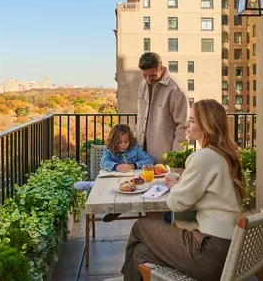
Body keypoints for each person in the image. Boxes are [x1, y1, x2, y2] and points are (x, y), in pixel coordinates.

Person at [121, 99, 246, 281]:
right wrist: (184, 183)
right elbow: (211, 193)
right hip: (228, 251)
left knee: (140, 227)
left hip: (209, 254)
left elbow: (176, 203)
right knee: (141, 252)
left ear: (207, 126)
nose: (187, 124)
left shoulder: (204, 157)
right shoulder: (226, 155)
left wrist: (177, 187)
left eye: (193, 120)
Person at [135, 52, 189, 225]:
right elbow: (141, 116)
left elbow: (183, 127)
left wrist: (174, 159)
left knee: (164, 202)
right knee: (145, 198)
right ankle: (149, 236)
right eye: (144, 75)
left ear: (161, 67)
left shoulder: (175, 90)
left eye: (151, 75)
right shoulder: (143, 84)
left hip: (163, 158)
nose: (147, 79)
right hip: (143, 156)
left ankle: (166, 240)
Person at [100, 124, 154, 222]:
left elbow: (149, 160)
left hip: (132, 180)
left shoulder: (135, 148)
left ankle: (119, 210)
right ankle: (118, 208)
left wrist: (133, 165)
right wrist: (117, 166)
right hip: (114, 182)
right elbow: (103, 163)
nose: (123, 145)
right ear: (113, 141)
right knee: (114, 193)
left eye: (126, 142)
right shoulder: (108, 149)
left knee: (136, 189)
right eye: (119, 142)